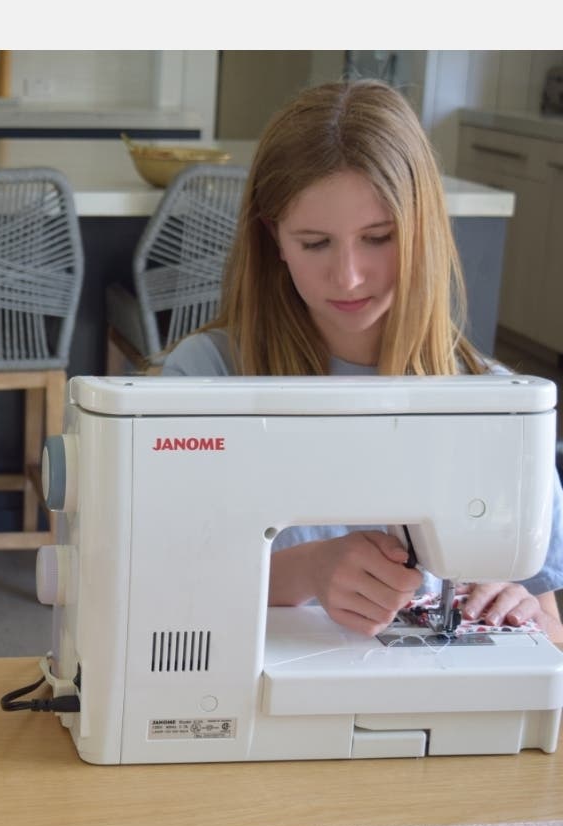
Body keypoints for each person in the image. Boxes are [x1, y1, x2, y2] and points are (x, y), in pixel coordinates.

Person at [158, 78, 563, 642]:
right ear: (274, 238)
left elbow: (548, 625)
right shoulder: (203, 380)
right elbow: (155, 585)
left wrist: (519, 607)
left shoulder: (501, 407)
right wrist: (307, 570)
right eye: (315, 243)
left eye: (378, 237)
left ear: (421, 229)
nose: (347, 276)